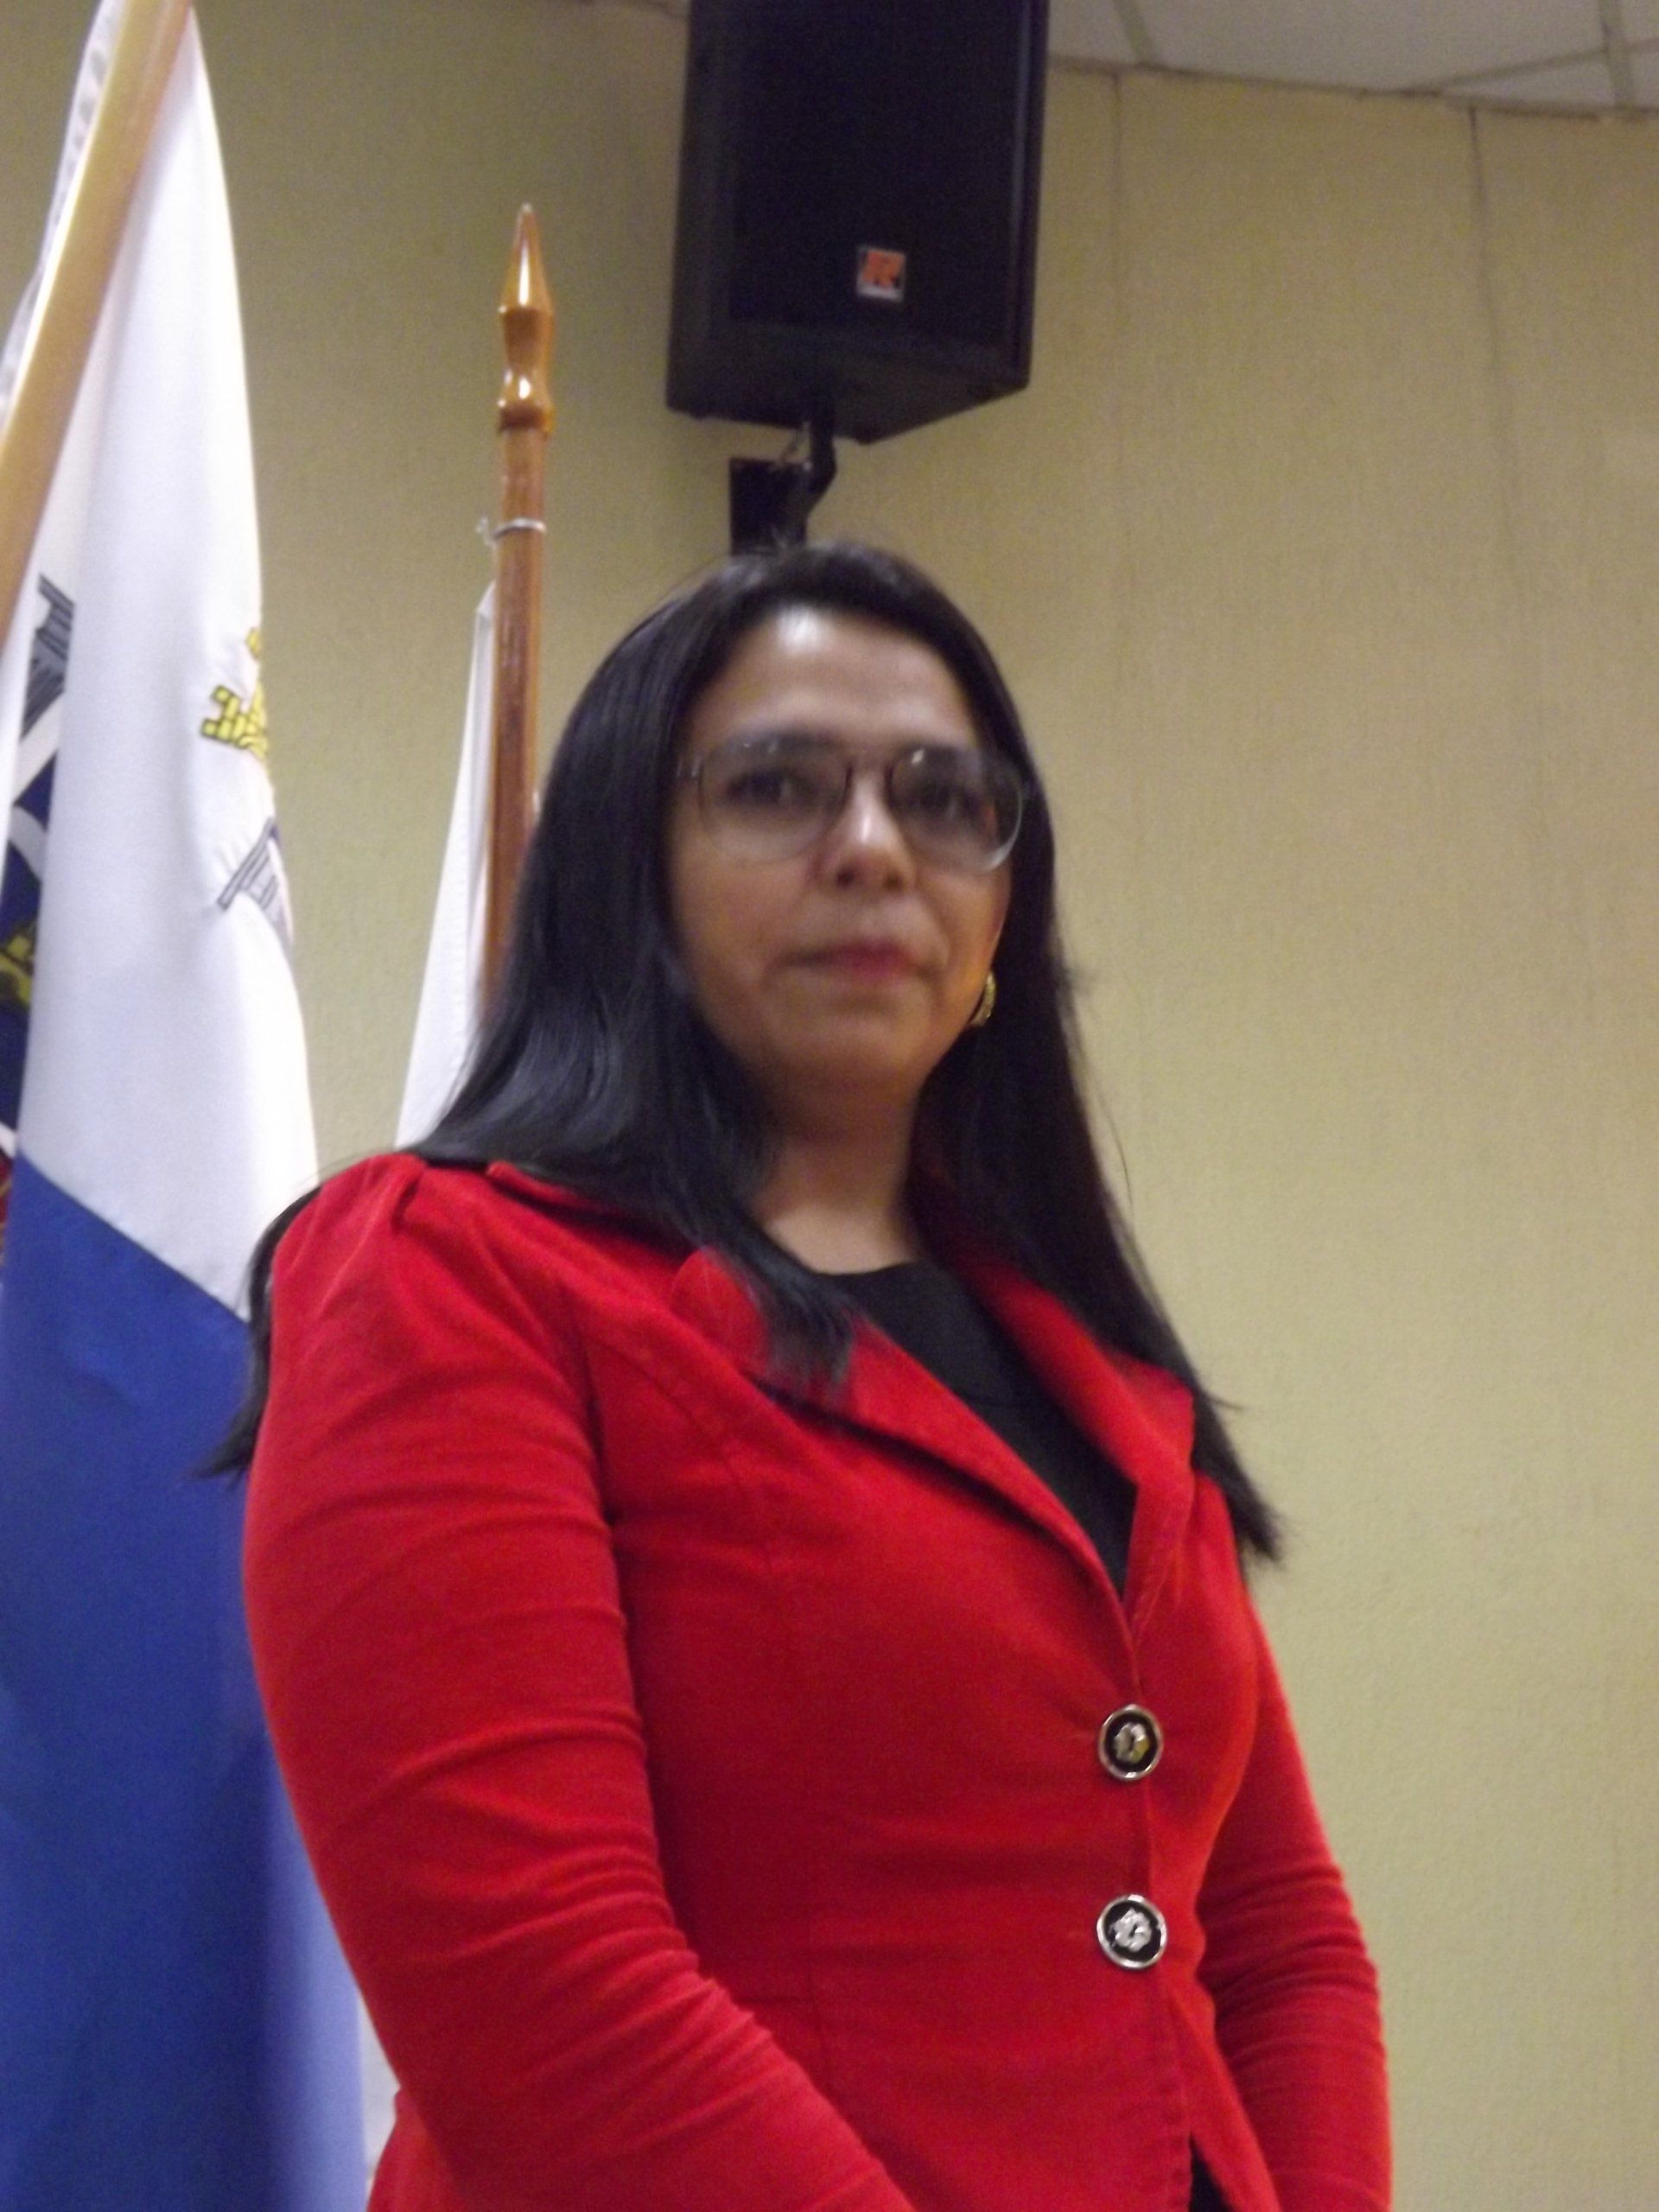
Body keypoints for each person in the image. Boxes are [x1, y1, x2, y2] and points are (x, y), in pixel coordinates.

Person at [232, 542, 1390, 2212]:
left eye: (945, 800)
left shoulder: (1082, 1349)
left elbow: (1279, 1940)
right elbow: (538, 1987)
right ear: (631, 870)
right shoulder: (446, 1273)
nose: (873, 848)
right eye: (778, 786)